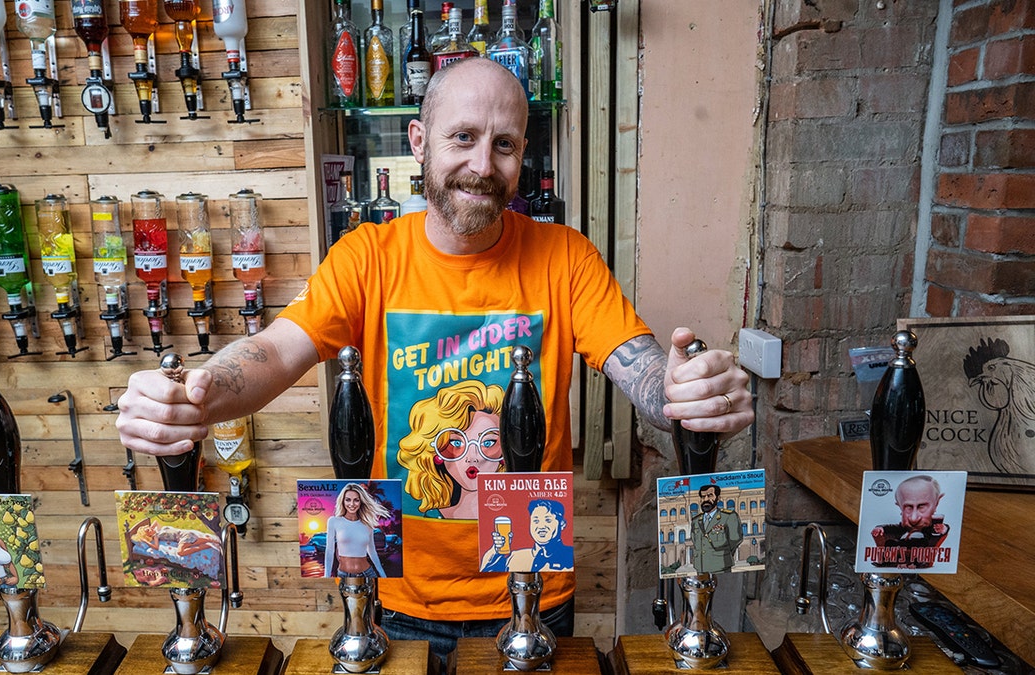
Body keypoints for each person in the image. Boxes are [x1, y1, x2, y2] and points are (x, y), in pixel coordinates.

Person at [116, 57, 752, 657]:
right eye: (463, 138)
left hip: (530, 585)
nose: (483, 164)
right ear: (419, 141)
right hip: (394, 597)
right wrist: (193, 393)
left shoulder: (566, 256)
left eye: (504, 144)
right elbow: (275, 351)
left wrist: (684, 385)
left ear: (522, 155)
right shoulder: (367, 255)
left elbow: (636, 362)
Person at [397, 380, 504, 519]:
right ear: (435, 453)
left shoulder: (518, 515)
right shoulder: (433, 517)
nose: (472, 457)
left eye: (488, 443)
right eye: (456, 443)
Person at [482, 499, 574, 573]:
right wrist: (496, 550)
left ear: (562, 524)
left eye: (548, 520)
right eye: (536, 521)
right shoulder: (515, 557)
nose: (541, 526)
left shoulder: (568, 556)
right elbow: (486, 574)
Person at [325, 483, 390, 578]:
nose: (352, 504)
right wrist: (326, 575)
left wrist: (383, 574)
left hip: (368, 573)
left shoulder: (367, 524)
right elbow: (330, 551)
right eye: (348, 500)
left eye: (356, 500)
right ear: (342, 501)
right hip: (343, 574)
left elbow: (372, 551)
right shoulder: (334, 521)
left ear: (361, 502)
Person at [871, 474, 949, 554]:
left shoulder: (932, 531)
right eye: (908, 507)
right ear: (899, 506)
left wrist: (943, 529)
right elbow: (891, 529)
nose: (914, 519)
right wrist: (880, 529)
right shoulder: (902, 530)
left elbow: (935, 536)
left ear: (937, 503)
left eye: (921, 507)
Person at [689, 485, 743, 574]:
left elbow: (735, 540)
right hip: (700, 568)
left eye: (710, 495)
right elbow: (695, 541)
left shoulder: (728, 517)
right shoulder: (696, 520)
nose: (705, 499)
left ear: (718, 498)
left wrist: (723, 555)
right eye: (703, 497)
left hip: (721, 567)